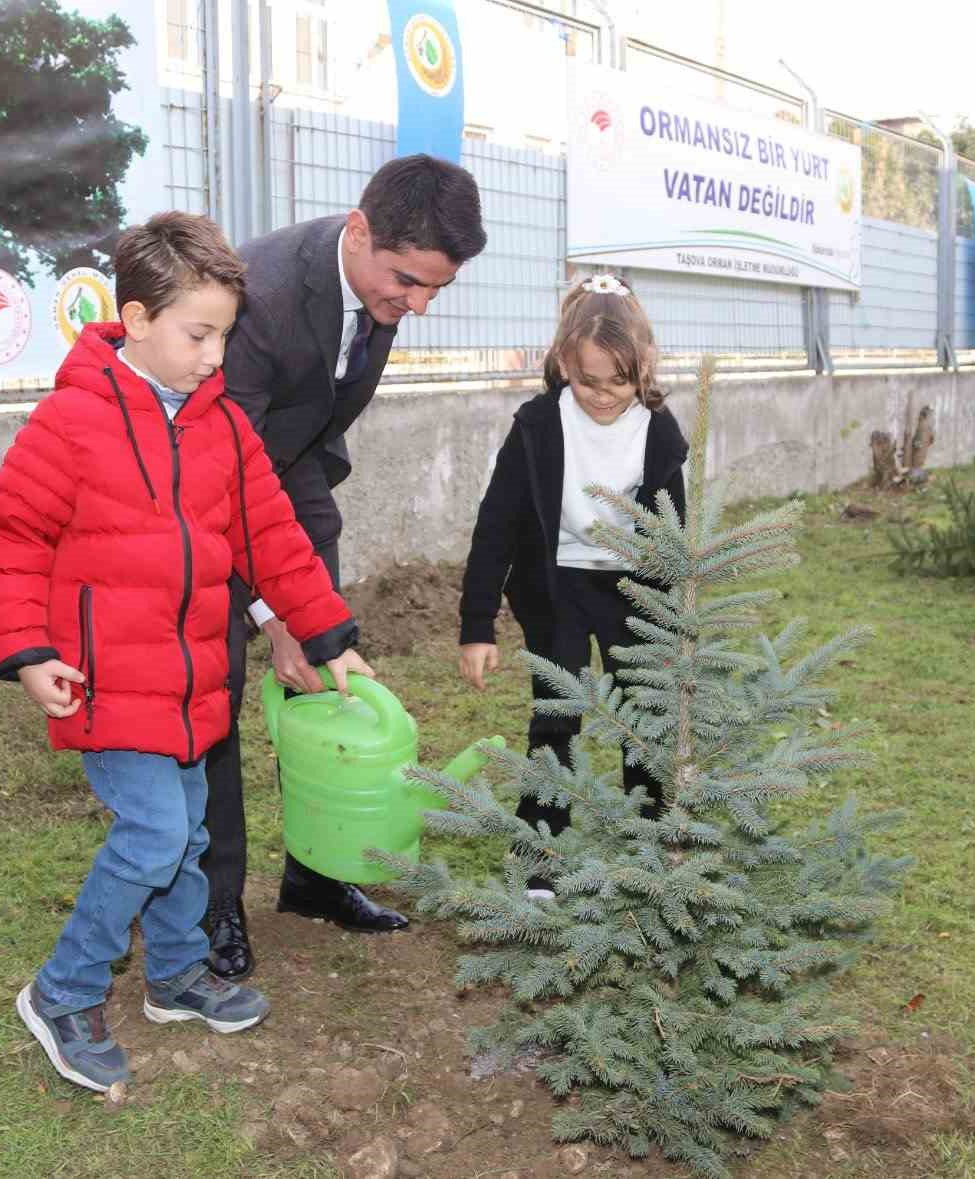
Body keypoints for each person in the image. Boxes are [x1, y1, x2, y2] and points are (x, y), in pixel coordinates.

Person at [0, 211, 374, 1093]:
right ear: (138, 316)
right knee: (155, 831)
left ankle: (174, 974)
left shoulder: (223, 425)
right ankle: (64, 989)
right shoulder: (71, 420)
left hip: (193, 679)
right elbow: (11, 534)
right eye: (200, 335)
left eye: (225, 337)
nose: (214, 357)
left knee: (188, 832)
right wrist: (26, 648)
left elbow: (274, 535)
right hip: (109, 680)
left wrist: (327, 632)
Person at [200, 154, 488, 979]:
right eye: (409, 282)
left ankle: (315, 875)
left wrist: (308, 585)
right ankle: (215, 906)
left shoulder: (380, 285)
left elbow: (312, 425)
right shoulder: (262, 298)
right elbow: (222, 467)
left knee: (319, 681)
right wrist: (267, 610)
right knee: (212, 704)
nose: (419, 306)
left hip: (292, 486)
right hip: (203, 506)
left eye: (437, 289)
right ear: (358, 231)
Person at [455, 275, 687, 887]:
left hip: (632, 593)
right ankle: (539, 861)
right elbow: (495, 526)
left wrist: (676, 619)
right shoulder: (537, 425)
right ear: (563, 362)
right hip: (554, 588)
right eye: (588, 381)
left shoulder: (657, 431)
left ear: (644, 367)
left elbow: (674, 535)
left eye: (620, 382)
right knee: (557, 716)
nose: (604, 397)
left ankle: (650, 850)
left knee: (642, 719)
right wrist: (476, 626)